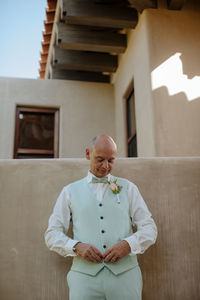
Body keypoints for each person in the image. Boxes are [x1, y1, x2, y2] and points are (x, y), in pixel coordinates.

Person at [45, 134, 157, 300]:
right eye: (100, 159)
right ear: (88, 154)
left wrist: (128, 244)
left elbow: (149, 228)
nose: (105, 166)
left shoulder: (129, 188)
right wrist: (76, 246)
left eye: (111, 160)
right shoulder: (69, 191)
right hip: (84, 280)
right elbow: (51, 234)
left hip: (126, 278)